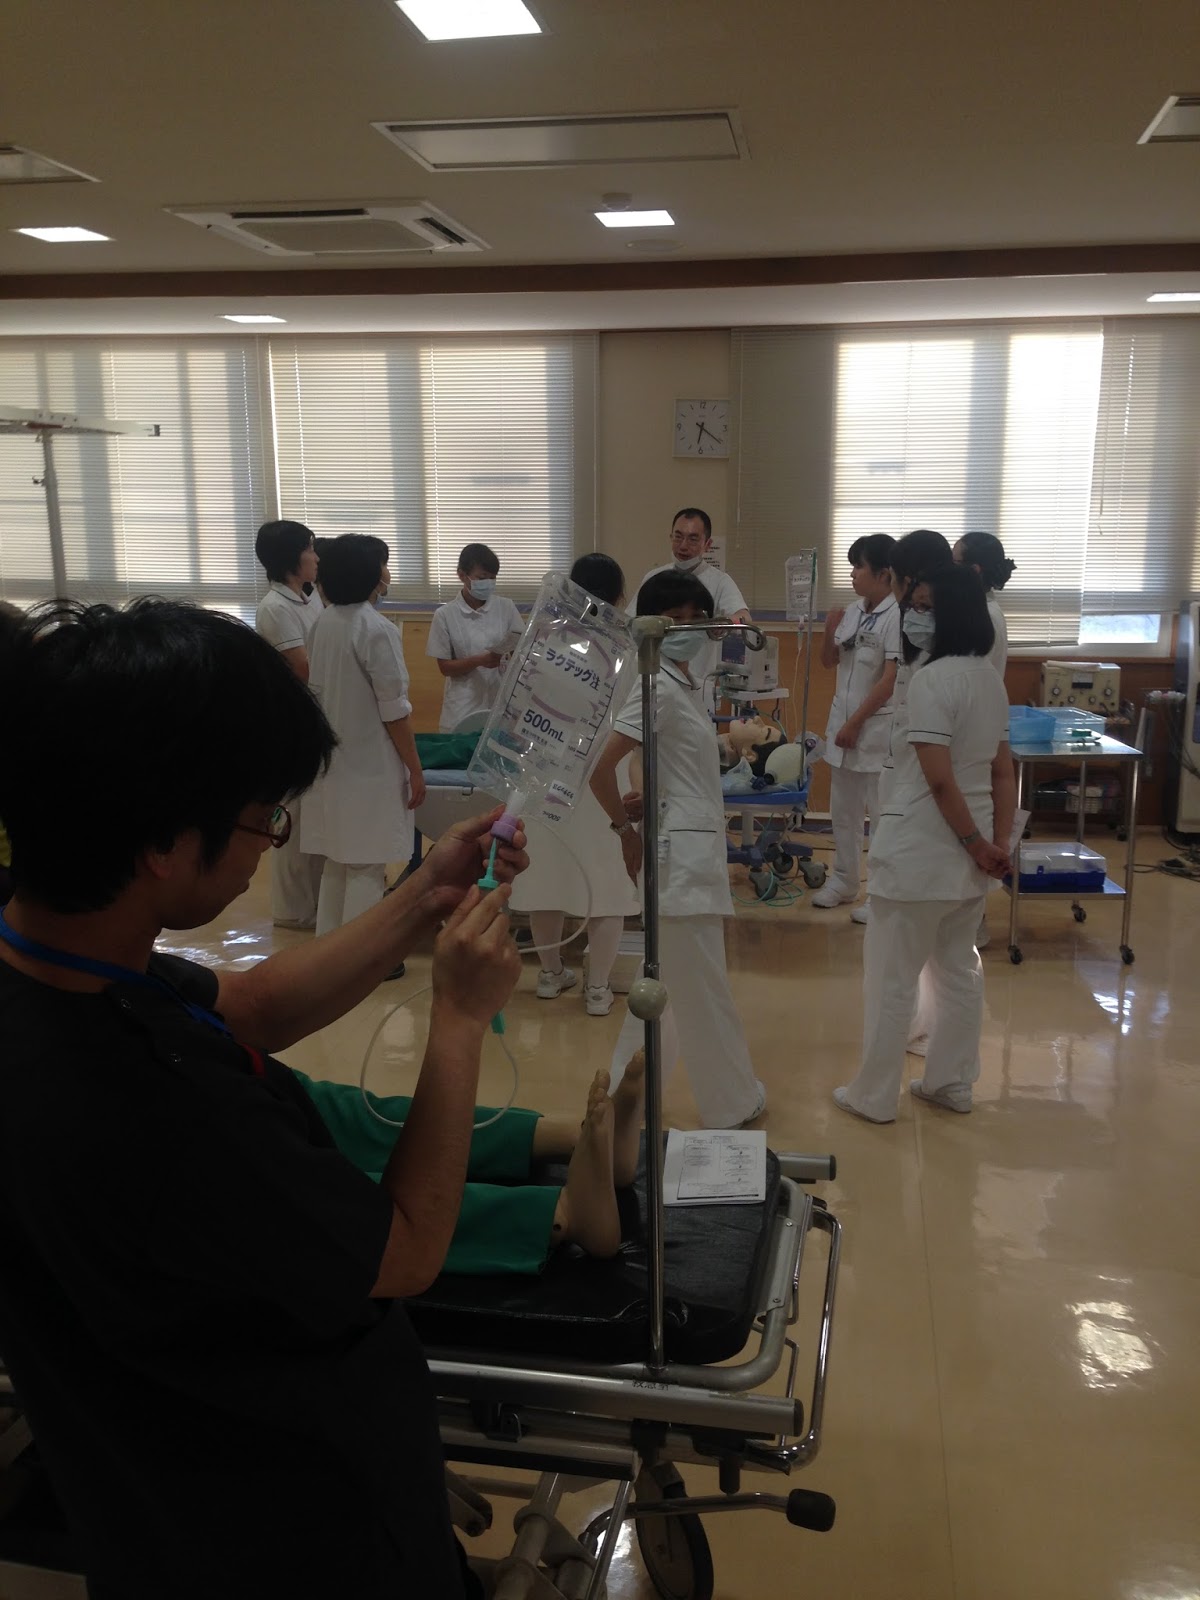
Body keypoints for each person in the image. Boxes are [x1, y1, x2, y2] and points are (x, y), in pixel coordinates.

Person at [0, 595, 534, 1598]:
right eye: (261, 818)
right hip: (289, 1527)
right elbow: (407, 1248)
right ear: (162, 840)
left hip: (145, 1508)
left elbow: (248, 1006)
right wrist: (461, 1018)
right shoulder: (151, 1113)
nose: (266, 845)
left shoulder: (55, 962)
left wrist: (424, 894)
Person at [833, 564, 1015, 1124]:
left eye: (924, 607)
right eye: (913, 604)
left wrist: (978, 844)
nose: (913, 616)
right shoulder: (989, 679)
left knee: (893, 978)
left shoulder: (933, 681)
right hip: (969, 858)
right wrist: (995, 845)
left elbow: (939, 782)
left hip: (923, 849)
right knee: (959, 970)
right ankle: (951, 1083)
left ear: (952, 614)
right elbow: (1002, 772)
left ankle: (874, 1095)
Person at [591, 571, 766, 1130]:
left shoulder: (686, 683)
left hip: (690, 847)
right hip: (680, 861)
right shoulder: (656, 687)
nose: (687, 629)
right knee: (704, 989)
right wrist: (624, 831)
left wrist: (655, 793)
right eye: (675, 619)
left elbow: (669, 760)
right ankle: (731, 1103)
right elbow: (601, 769)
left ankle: (619, 1105)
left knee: (664, 990)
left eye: (696, 618)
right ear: (652, 625)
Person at [508, 552, 640, 1014]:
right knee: (607, 887)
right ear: (619, 597)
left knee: (544, 877)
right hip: (600, 779)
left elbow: (516, 708)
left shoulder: (542, 640)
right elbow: (632, 725)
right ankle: (598, 987)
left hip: (541, 774)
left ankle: (549, 973)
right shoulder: (626, 652)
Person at [301, 535, 426, 940]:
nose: (387, 571)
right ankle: (359, 959)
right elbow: (394, 711)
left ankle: (327, 953)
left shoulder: (324, 622)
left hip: (333, 764)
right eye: (383, 564)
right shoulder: (375, 629)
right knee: (366, 867)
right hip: (368, 767)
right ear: (370, 574)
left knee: (338, 862)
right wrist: (415, 769)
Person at [812, 534, 900, 922]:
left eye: (858, 567)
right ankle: (844, 881)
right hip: (842, 728)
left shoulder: (897, 616)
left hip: (874, 732)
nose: (852, 574)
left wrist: (855, 723)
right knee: (843, 813)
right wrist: (828, 632)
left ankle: (880, 894)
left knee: (880, 818)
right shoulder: (852, 611)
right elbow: (829, 662)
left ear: (883, 574)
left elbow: (890, 680)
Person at [253, 519, 326, 929]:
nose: (316, 557)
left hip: (317, 718)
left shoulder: (308, 599)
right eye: (309, 549)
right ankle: (292, 911)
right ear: (290, 558)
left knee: (315, 819)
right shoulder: (275, 607)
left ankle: (313, 903)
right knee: (293, 820)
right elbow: (304, 667)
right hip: (292, 723)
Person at [632, 508, 751, 710]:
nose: (683, 546)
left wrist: (727, 623)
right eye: (678, 537)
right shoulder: (654, 578)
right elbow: (631, 621)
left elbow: (744, 618)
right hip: (656, 679)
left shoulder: (720, 581)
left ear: (708, 544)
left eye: (693, 539)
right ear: (670, 537)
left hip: (698, 684)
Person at [427, 542, 523, 732]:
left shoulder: (506, 607)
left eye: (493, 578)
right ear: (462, 575)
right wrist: (479, 661)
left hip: (499, 700)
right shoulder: (445, 614)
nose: (488, 583)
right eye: (482, 578)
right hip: (462, 705)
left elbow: (520, 649)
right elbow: (445, 667)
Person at [954, 530, 1016, 678]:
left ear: (974, 570)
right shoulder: (974, 608)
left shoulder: (984, 616)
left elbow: (966, 674)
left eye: (954, 562)